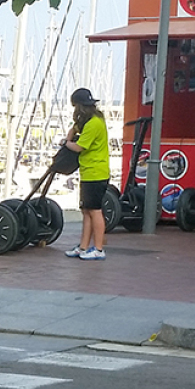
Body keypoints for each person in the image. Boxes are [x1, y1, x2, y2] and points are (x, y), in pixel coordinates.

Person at [63, 88, 110, 260]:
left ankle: (98, 248)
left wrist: (66, 142)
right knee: (86, 210)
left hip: (96, 173)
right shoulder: (95, 120)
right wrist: (74, 129)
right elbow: (77, 128)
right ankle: (83, 246)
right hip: (89, 172)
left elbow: (79, 147)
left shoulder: (93, 124)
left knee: (95, 210)